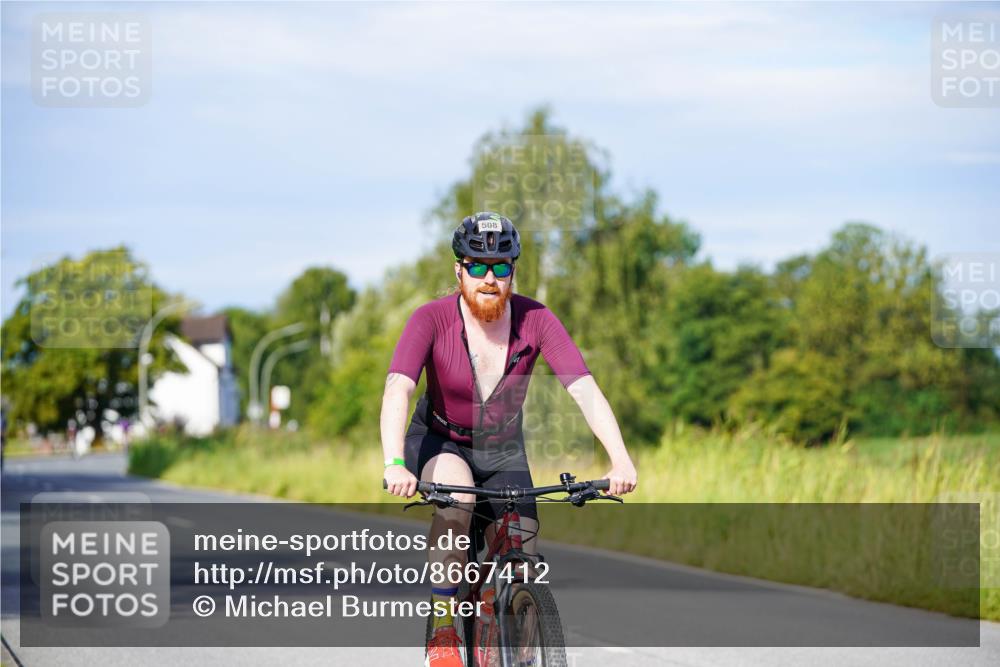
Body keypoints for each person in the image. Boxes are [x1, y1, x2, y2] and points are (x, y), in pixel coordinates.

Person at [381, 212, 638, 667]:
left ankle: (515, 642)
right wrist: (393, 463)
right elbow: (398, 387)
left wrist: (620, 460)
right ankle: (443, 629)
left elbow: (584, 389)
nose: (489, 278)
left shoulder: (536, 319)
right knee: (457, 501)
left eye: (501, 267)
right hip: (441, 440)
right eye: (477, 266)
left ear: (512, 272)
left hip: (501, 449)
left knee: (524, 549)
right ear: (458, 270)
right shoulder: (431, 319)